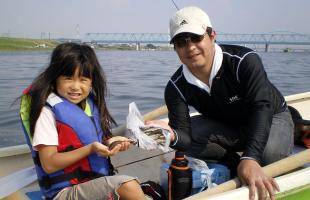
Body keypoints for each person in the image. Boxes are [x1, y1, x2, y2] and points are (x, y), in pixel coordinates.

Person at [147, 6, 294, 200]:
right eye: (181, 42)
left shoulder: (244, 61)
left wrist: (252, 157)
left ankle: (251, 158)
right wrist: (169, 135)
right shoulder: (175, 87)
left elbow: (262, 107)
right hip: (230, 128)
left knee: (269, 157)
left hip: (272, 116)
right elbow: (183, 135)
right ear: (175, 48)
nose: (190, 47)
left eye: (196, 38)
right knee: (189, 140)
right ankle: (235, 164)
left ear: (212, 35)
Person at [20, 43, 146, 200]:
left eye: (83, 79)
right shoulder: (46, 112)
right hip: (63, 193)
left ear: (91, 82)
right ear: (55, 79)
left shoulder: (90, 104)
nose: (75, 86)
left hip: (93, 183)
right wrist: (90, 149)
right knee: (128, 186)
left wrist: (112, 142)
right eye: (68, 78)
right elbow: (49, 164)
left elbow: (98, 140)